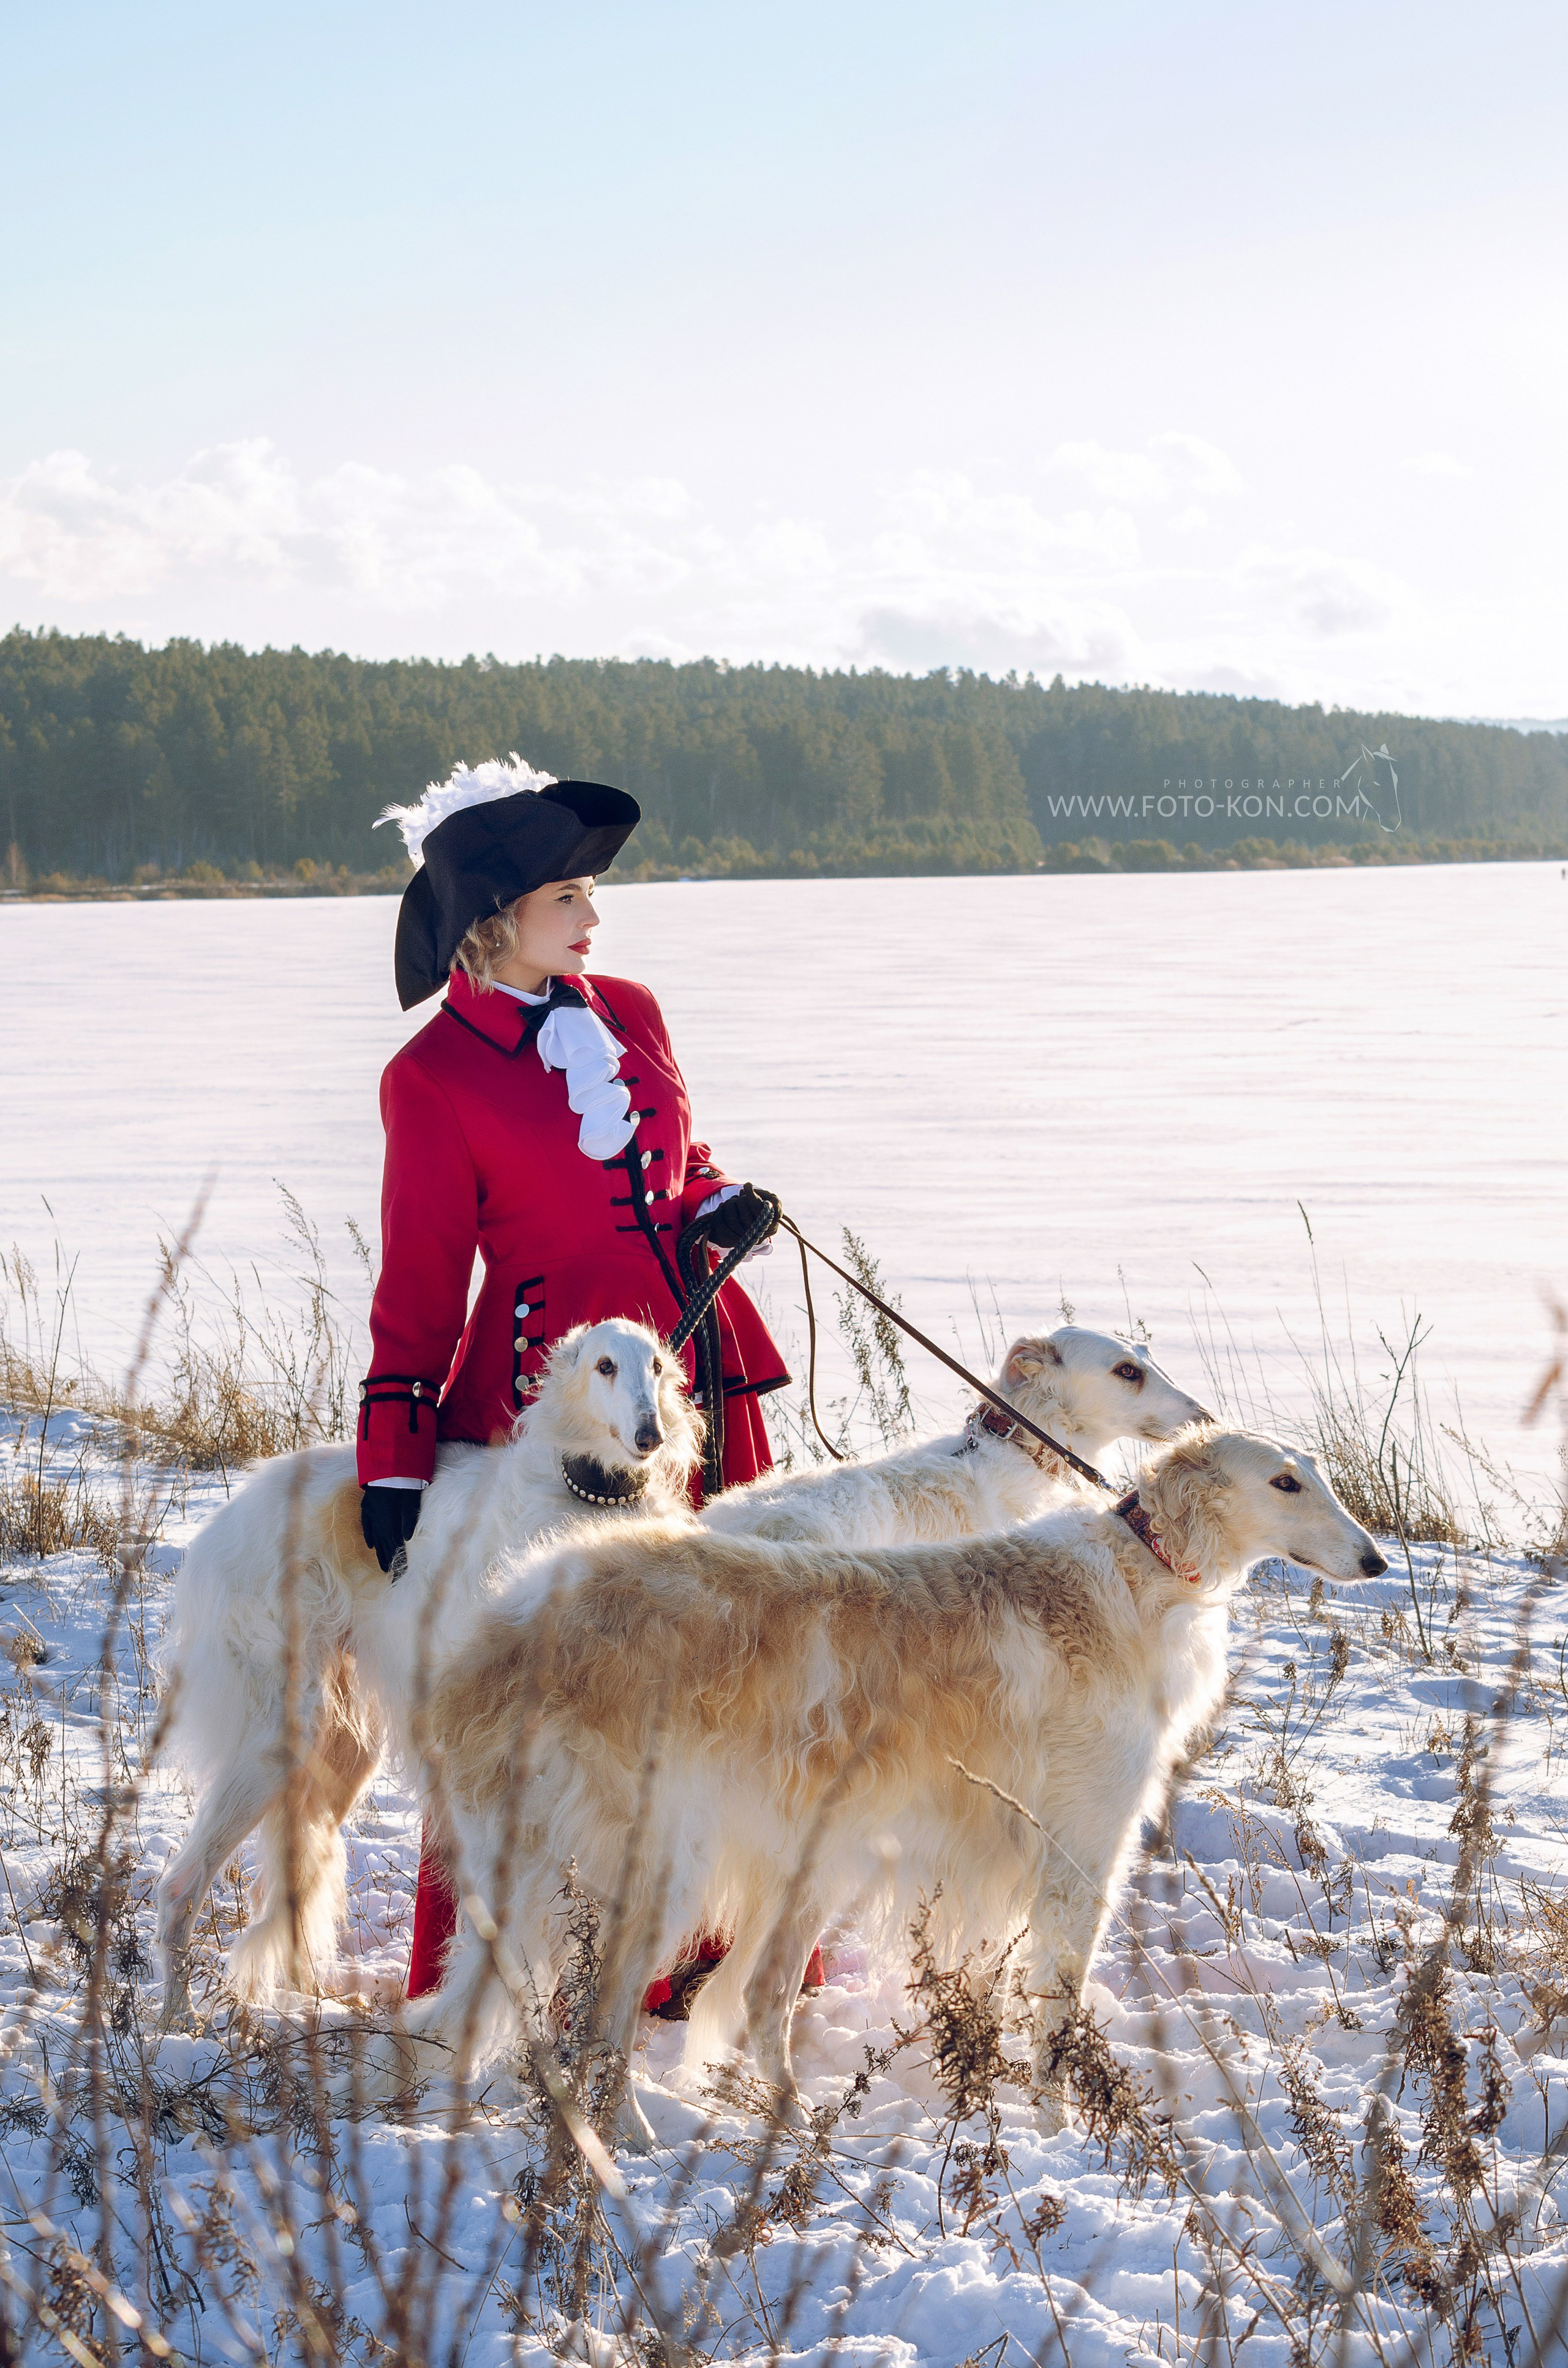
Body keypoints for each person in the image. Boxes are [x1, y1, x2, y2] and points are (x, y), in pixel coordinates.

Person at [357, 757, 795, 2005]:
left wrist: (718, 1204)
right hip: (549, 1419)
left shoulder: (632, 1012)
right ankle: (495, 1965)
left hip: (693, 1376)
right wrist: (393, 1462)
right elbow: (419, 1284)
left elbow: (678, 1163)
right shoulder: (430, 1077)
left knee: (719, 1667)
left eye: (592, 892)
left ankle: (709, 1954)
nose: (595, 917)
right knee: (537, 1693)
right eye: (569, 895)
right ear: (495, 918)